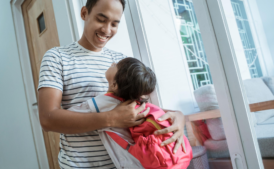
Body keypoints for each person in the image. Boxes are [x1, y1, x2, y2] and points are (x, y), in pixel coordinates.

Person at [38, 0, 186, 168]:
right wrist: (111, 118)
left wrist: (177, 116)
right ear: (84, 13)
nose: (107, 30)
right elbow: (48, 119)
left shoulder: (120, 62)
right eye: (101, 19)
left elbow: (138, 110)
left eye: (114, 24)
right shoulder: (57, 57)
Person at [68, 57, 193, 169]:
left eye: (115, 65)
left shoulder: (101, 104)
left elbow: (69, 116)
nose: (113, 62)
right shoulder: (139, 103)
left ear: (115, 85)